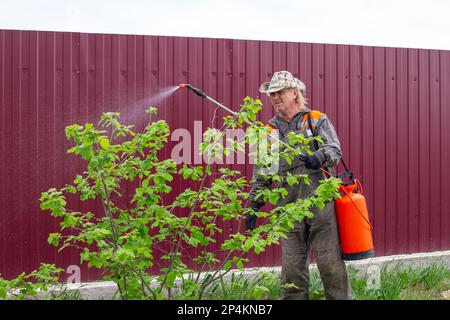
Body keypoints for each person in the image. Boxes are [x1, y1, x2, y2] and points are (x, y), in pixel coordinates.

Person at [246, 71, 352, 300]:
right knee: (292, 273)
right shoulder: (270, 132)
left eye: (279, 92)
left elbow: (334, 149)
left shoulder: (315, 119)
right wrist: (254, 204)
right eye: (271, 93)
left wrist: (319, 157)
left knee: (330, 265)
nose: (274, 97)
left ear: (294, 93)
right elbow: (264, 172)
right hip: (288, 211)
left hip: (321, 206)